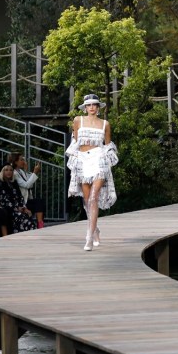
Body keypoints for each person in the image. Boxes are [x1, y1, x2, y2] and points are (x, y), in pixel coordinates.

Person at [66, 93, 118, 251]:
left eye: (95, 104)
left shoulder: (105, 124)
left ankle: (88, 237)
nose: (92, 107)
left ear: (98, 107)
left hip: (98, 158)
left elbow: (108, 145)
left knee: (94, 197)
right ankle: (95, 230)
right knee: (87, 200)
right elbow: (75, 140)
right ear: (85, 107)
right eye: (89, 105)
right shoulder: (77, 120)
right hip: (83, 159)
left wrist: (108, 163)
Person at [0, 164, 36, 234]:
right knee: (23, 218)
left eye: (11, 170)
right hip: (8, 209)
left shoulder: (14, 183)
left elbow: (20, 198)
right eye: (6, 170)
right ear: (2, 172)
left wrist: (24, 208)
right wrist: (17, 208)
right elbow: (3, 201)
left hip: (19, 208)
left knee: (28, 214)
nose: (9, 172)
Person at [8, 152, 46, 228]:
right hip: (22, 202)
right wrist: (35, 172)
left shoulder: (20, 171)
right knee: (38, 202)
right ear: (15, 161)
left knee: (40, 201)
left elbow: (30, 184)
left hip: (27, 200)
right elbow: (27, 185)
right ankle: (40, 225)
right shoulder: (14, 173)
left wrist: (26, 170)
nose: (23, 161)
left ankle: (40, 224)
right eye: (21, 159)